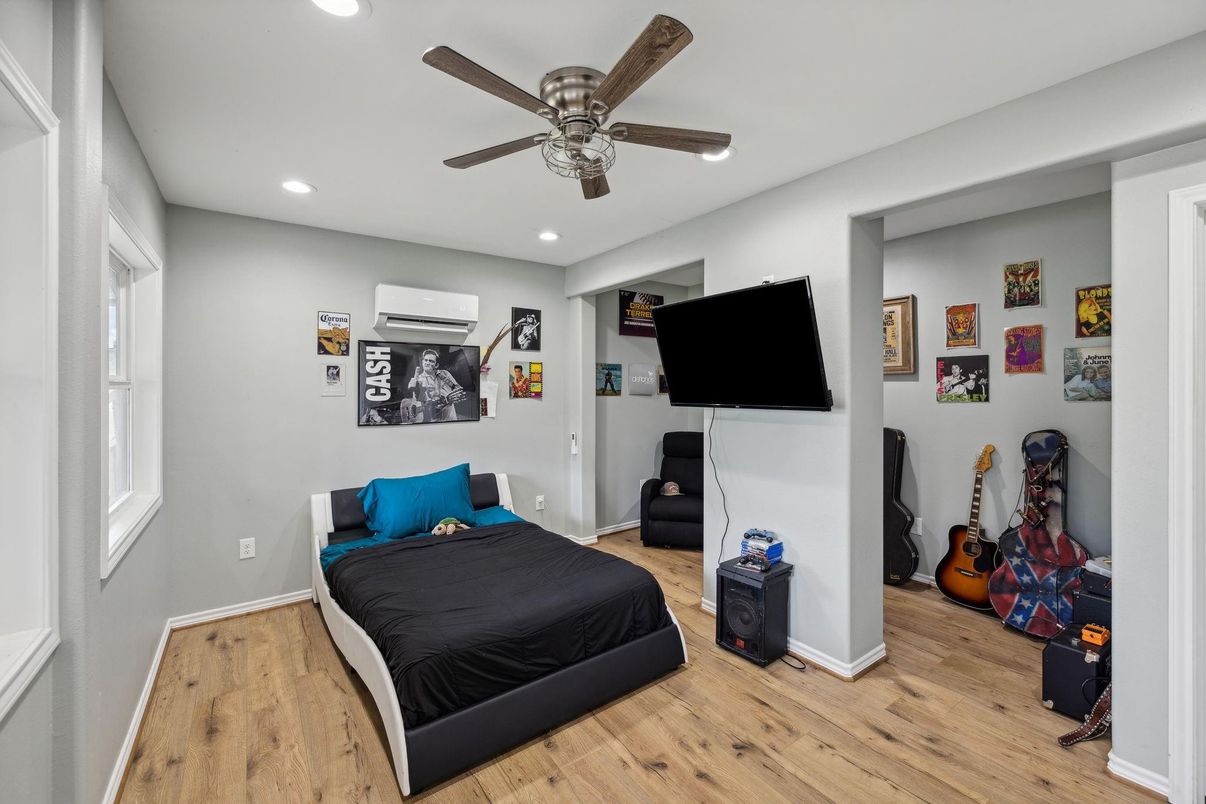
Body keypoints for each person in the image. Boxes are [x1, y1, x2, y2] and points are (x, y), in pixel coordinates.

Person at [407, 349, 465, 422]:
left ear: (436, 365)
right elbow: (425, 407)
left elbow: (458, 390)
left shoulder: (445, 374)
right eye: (425, 360)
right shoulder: (419, 380)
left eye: (431, 361)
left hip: (451, 419)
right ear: (422, 362)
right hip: (434, 423)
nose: (427, 363)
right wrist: (412, 391)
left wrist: (455, 393)